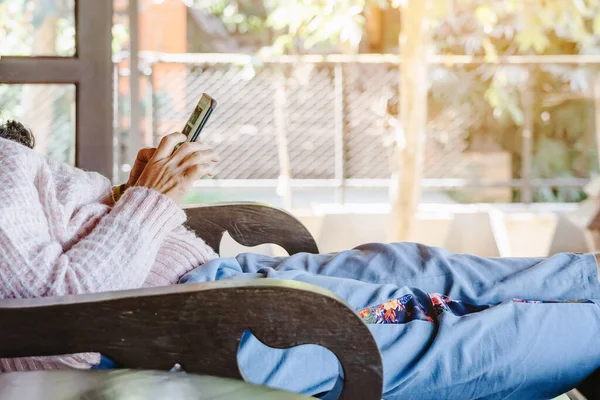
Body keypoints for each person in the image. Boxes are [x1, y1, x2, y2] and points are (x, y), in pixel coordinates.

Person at [0, 120, 598, 399]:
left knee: (422, 267)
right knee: (440, 333)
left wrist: (130, 197)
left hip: (215, 285)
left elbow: (56, 254)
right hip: (193, 327)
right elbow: (55, 327)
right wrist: (147, 201)